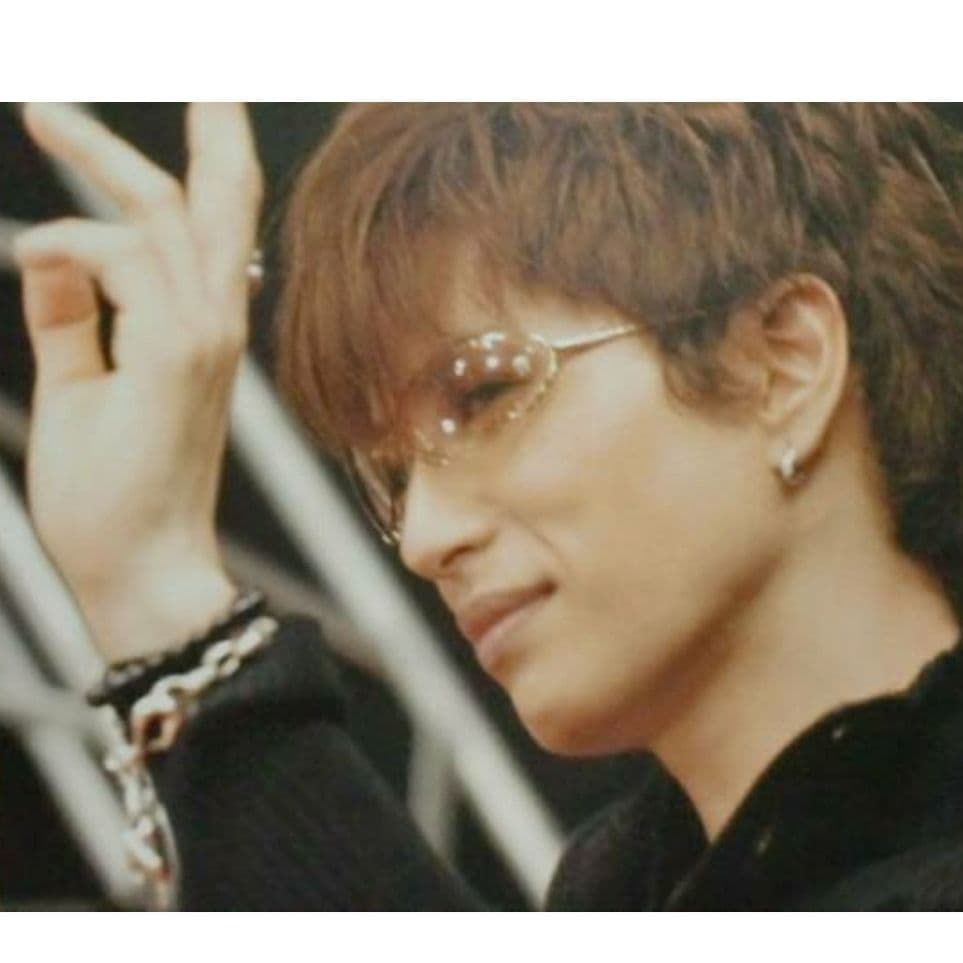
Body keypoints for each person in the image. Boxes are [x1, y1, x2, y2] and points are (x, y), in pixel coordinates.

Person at [12, 102, 963, 910]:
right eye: (392, 478)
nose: (425, 540)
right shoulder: (620, 888)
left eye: (483, 393)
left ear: (780, 363)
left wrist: (171, 614)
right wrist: (143, 578)